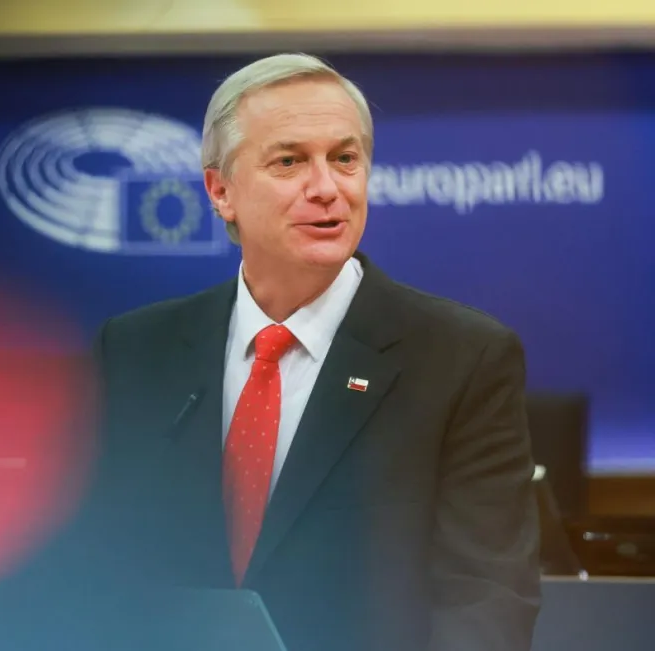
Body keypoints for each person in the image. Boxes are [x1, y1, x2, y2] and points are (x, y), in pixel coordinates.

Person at [83, 53, 541, 651]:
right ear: (221, 190)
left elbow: (486, 601)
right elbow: (93, 570)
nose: (326, 188)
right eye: (289, 161)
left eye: (345, 159)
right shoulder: (136, 351)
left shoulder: (463, 358)